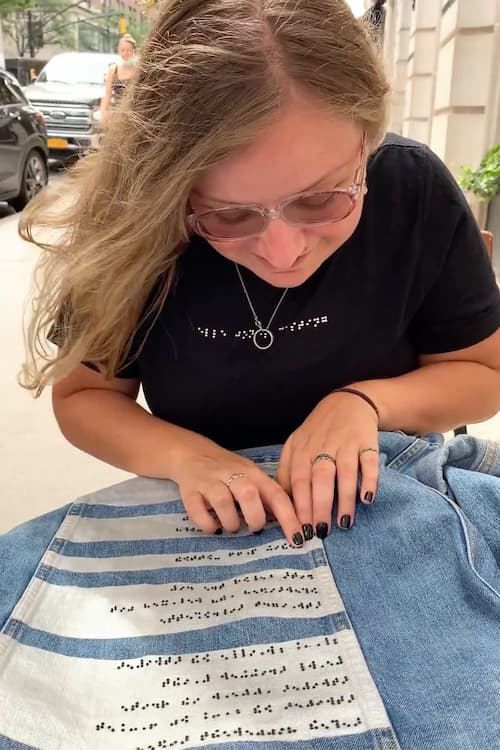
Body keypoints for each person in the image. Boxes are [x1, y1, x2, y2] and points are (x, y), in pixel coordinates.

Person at [19, 0, 500, 551]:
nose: (283, 252)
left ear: (368, 139)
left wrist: (365, 404)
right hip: (216, 524)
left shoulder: (411, 191)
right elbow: (85, 397)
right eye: (228, 214)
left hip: (395, 514)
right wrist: (188, 457)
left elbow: (484, 373)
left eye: (322, 199)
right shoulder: (136, 219)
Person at [99, 33, 137, 127]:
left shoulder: (139, 71)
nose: (125, 53)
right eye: (122, 50)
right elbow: (107, 95)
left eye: (128, 50)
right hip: (117, 116)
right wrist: (104, 115)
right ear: (119, 51)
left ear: (133, 51)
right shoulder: (113, 71)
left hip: (135, 116)